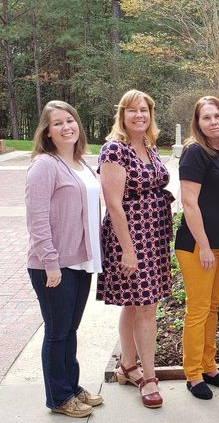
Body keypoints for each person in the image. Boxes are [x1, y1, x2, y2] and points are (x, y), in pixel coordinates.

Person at [25, 101, 103, 418]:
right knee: (57, 332)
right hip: (53, 265)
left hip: (81, 261)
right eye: (57, 123)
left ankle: (71, 386)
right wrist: (51, 261)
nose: (66, 127)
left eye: (70, 120)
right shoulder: (44, 165)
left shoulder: (82, 164)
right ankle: (58, 398)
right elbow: (37, 218)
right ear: (47, 131)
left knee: (70, 329)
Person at [97, 90, 173, 409]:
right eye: (132, 110)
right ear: (122, 115)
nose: (139, 115)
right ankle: (149, 378)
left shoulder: (149, 146)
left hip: (153, 235)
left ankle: (128, 366)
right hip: (131, 237)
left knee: (134, 303)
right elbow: (114, 204)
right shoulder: (115, 149)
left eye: (144, 110)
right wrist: (128, 250)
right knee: (146, 306)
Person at [174, 96, 219, 400]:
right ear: (197, 122)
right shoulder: (194, 153)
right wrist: (203, 246)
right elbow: (189, 202)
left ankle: (209, 366)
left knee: (213, 307)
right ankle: (192, 374)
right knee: (198, 309)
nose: (213, 122)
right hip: (197, 246)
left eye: (217, 116)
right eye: (206, 117)